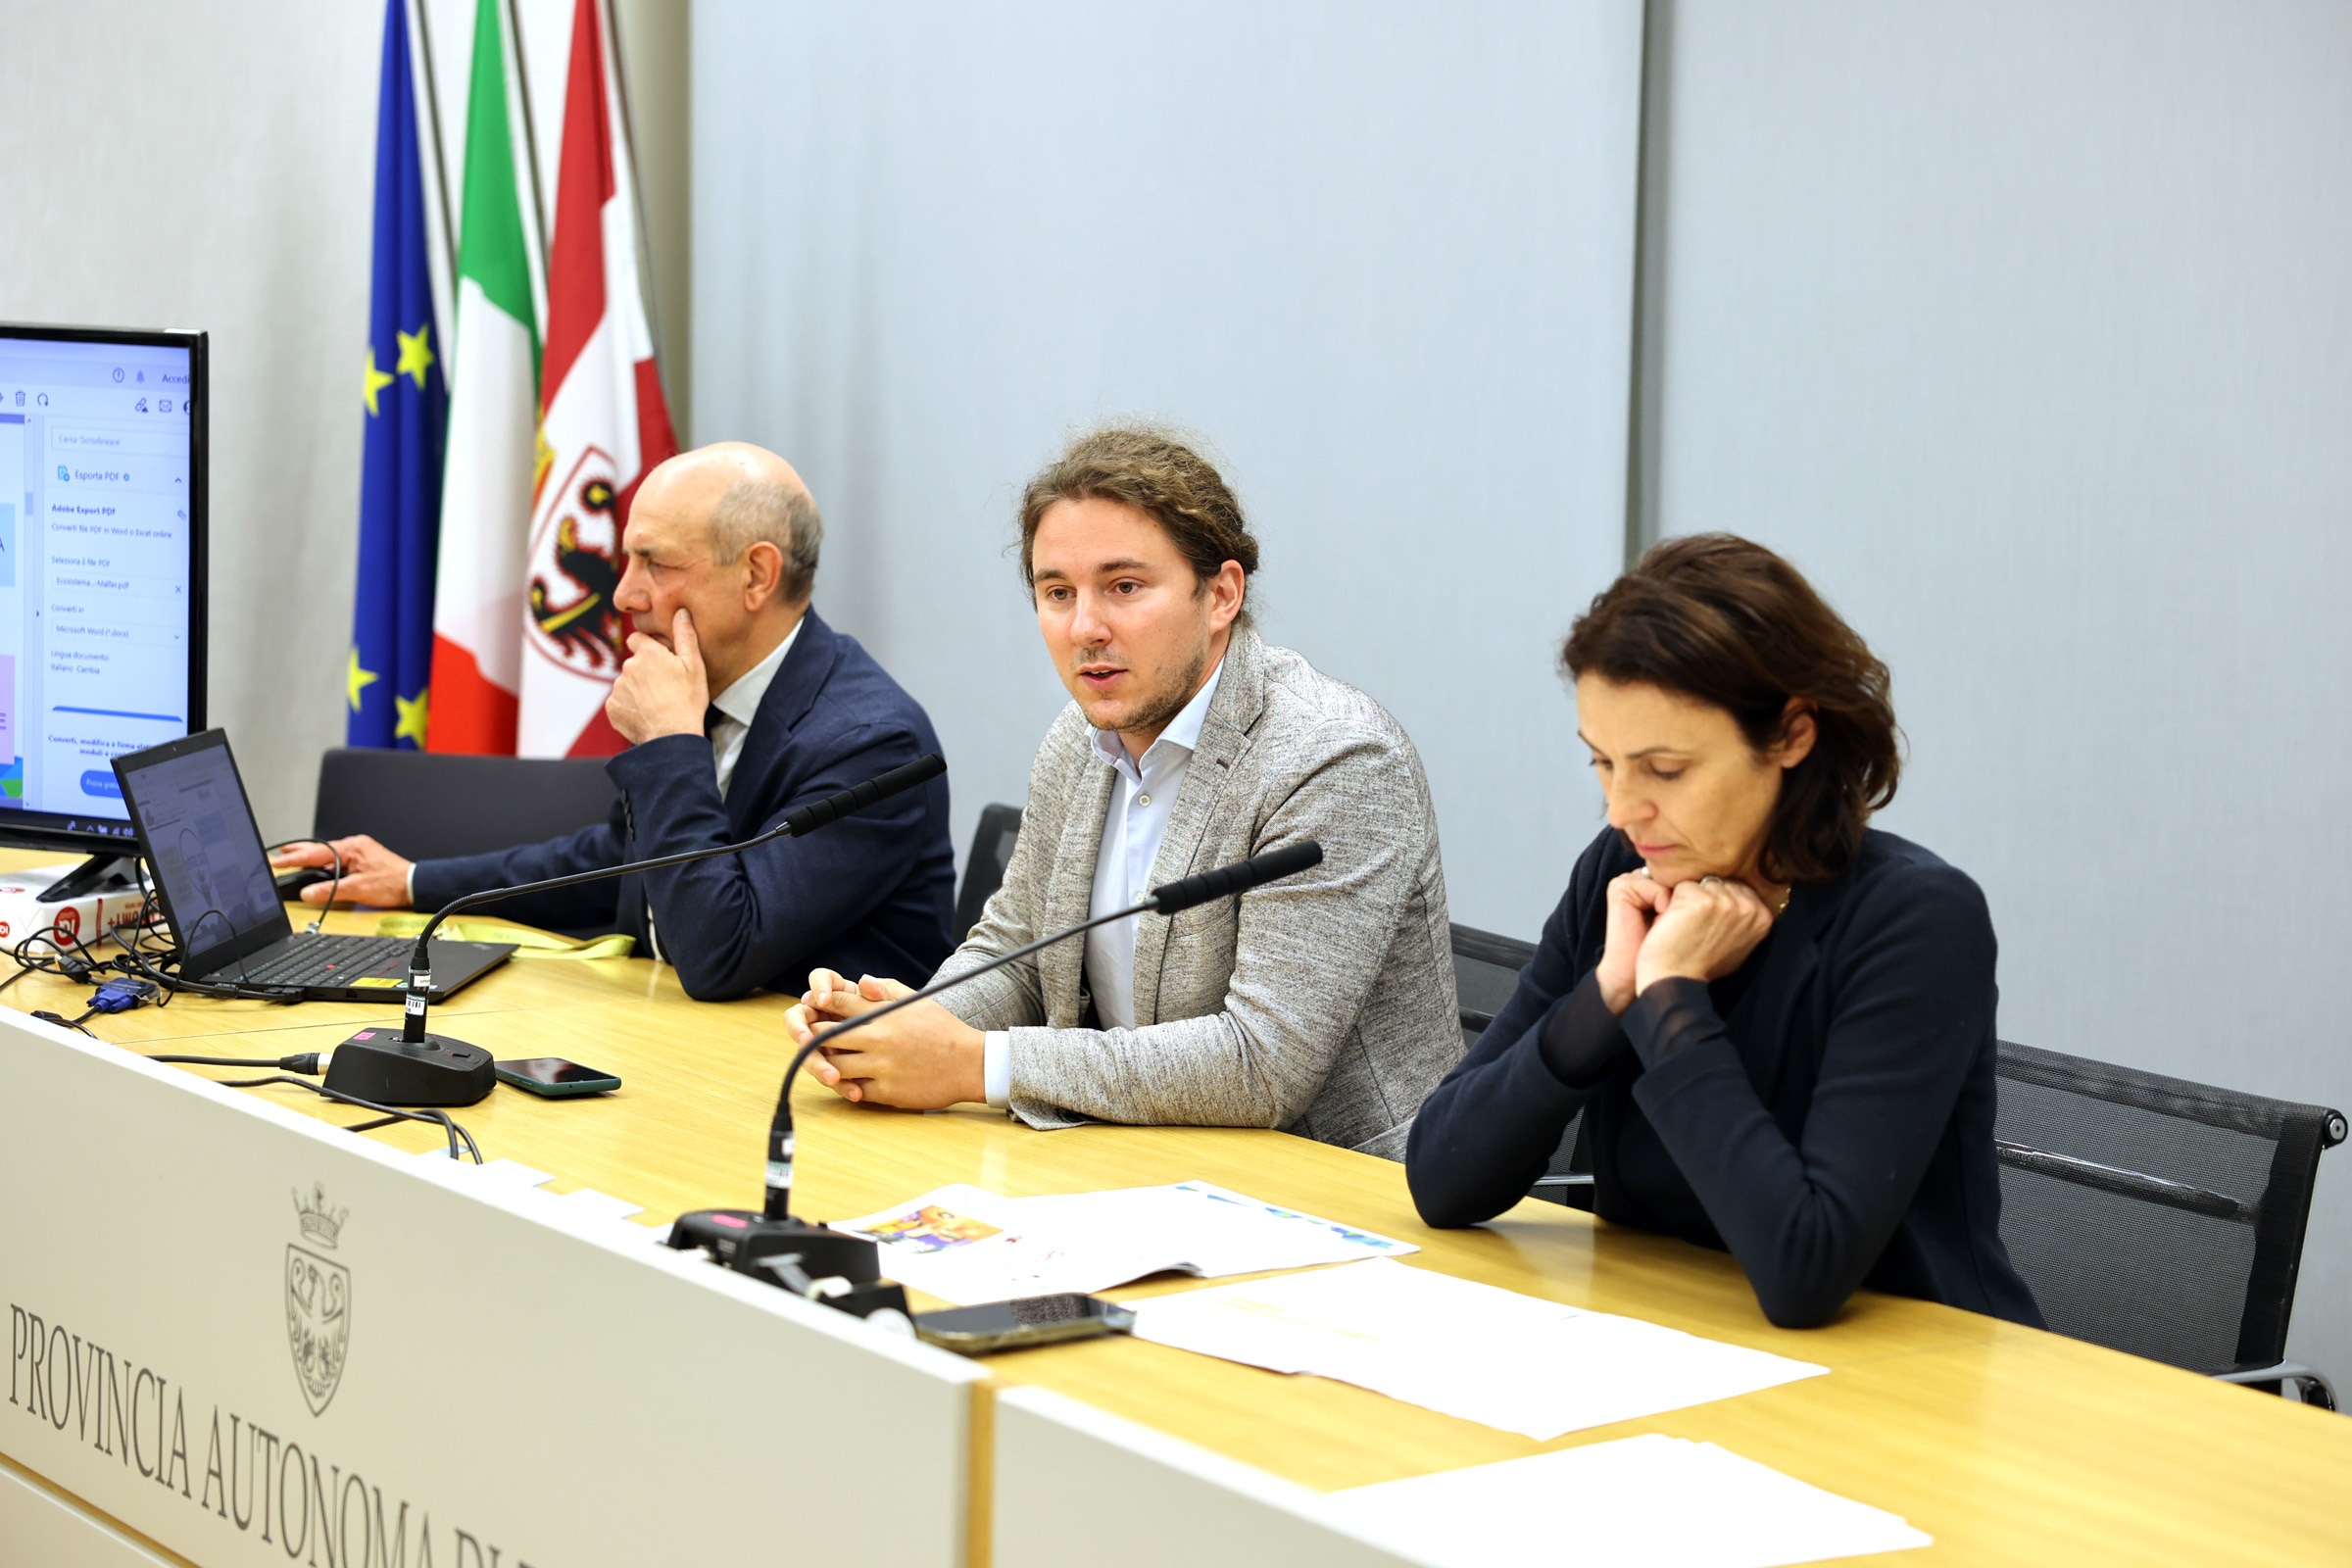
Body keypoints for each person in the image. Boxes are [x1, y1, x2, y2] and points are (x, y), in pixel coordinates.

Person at [1406, 535, 2042, 1330]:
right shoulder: (1623, 872)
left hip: (1912, 1365)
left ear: (1792, 735)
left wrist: (1672, 997)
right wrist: (1608, 992)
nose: (1622, 809)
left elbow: (1806, 1271)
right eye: (1603, 762)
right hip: (1670, 1337)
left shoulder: (1915, 919)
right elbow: (1440, 1180)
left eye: (1666, 770)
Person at [782, 425, 1459, 1157]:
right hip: (1138, 1159)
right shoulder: (1077, 741)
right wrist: (902, 1025)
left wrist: (975, 1063)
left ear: (1221, 594)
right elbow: (1018, 954)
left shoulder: (1335, 759)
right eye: (1057, 592)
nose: (1085, 628)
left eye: (1124, 587)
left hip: (1339, 1187)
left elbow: (1263, 1063)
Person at [270, 442, 956, 1002]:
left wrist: (671, 741)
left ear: (756, 576)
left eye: (656, 563)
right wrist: (414, 880)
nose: (624, 595)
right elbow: (621, 864)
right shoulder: (705, 688)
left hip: (814, 1094)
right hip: (677, 1044)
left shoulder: (873, 745)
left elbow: (719, 952)